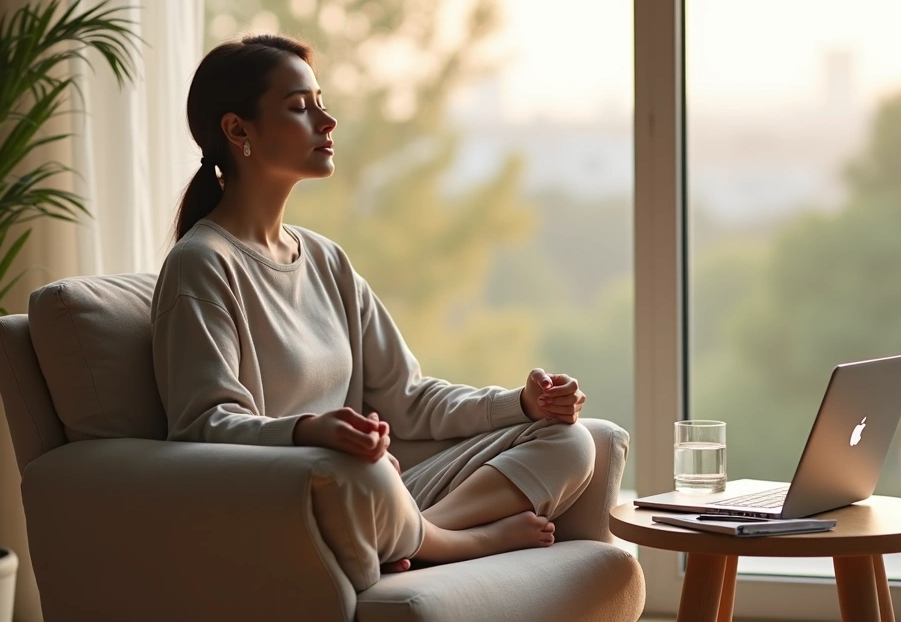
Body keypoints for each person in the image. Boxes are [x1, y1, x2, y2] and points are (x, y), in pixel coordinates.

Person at [149, 34, 596, 591]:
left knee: (573, 441)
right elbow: (201, 425)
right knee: (362, 472)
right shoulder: (201, 264)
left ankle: (421, 534)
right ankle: (463, 542)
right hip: (301, 497)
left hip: (375, 494)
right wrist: (312, 431)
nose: (327, 121)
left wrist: (522, 404)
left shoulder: (326, 261)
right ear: (238, 130)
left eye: (320, 101)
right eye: (299, 107)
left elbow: (407, 400)